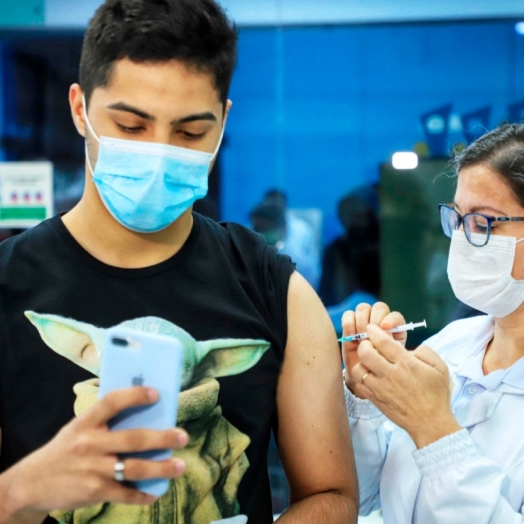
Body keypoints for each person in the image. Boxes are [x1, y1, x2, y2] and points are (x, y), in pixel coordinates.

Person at [0, 1, 358, 523]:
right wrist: (23, 491)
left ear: (223, 122)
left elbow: (332, 497)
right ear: (80, 109)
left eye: (190, 133)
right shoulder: (9, 287)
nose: (160, 151)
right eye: (130, 125)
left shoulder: (273, 290)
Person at [342, 123, 524, 523]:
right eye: (457, 219)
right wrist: (368, 399)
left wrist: (435, 429)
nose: (461, 239)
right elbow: (364, 502)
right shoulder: (450, 347)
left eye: (483, 223)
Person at [262, 189, 321, 289]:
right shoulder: (254, 228)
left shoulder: (303, 230)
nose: (274, 210)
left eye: (277, 205)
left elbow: (313, 269)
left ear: (284, 205)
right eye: (270, 207)